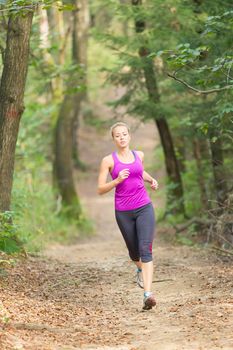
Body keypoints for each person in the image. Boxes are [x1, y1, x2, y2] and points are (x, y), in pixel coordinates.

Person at [97, 122, 158, 310]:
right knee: (134, 252)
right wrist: (117, 180)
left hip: (144, 207)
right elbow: (100, 189)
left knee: (145, 249)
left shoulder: (139, 155)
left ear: (129, 136)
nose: (122, 137)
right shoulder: (109, 161)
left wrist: (151, 179)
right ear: (114, 139)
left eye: (124, 134)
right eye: (118, 135)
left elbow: (139, 171)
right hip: (123, 212)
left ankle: (147, 294)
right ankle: (139, 268)